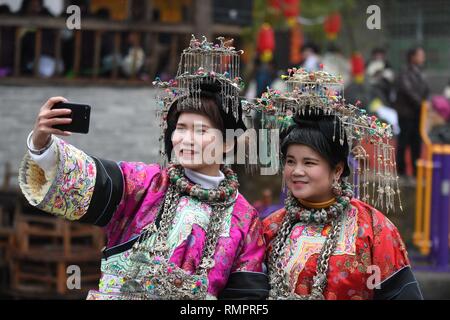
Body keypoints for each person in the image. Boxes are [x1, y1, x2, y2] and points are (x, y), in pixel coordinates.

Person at [18, 36, 268, 300]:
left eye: (201, 130)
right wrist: (41, 143)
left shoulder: (244, 217)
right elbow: (84, 177)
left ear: (228, 143)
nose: (186, 139)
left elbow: (245, 299)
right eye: (180, 129)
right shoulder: (144, 184)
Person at [246, 68, 423, 300]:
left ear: (337, 170)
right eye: (290, 161)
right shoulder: (270, 228)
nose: (296, 171)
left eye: (309, 162)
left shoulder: (374, 230)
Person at [395, 46, 430, 177]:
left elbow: (426, 91)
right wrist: (421, 102)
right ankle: (401, 170)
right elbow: (407, 90)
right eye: (420, 55)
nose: (423, 57)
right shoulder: (405, 72)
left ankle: (416, 170)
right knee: (404, 141)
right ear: (412, 57)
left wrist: (427, 102)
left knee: (417, 142)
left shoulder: (421, 73)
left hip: (418, 113)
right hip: (406, 113)